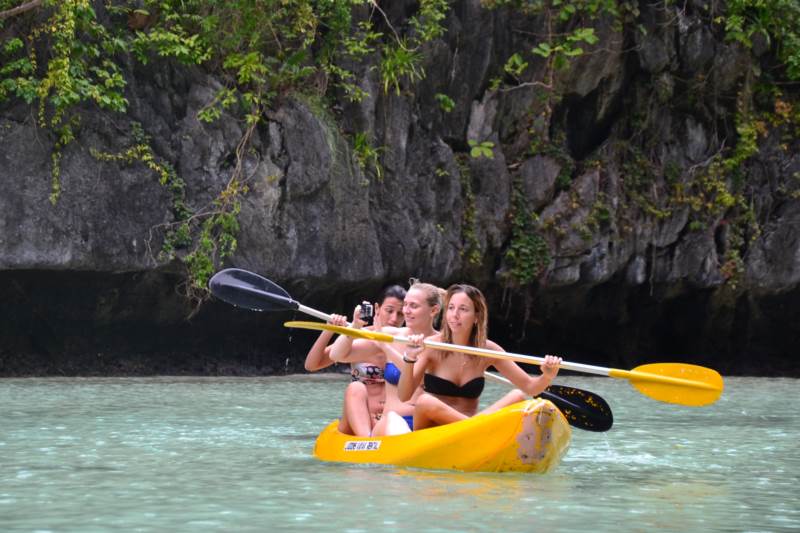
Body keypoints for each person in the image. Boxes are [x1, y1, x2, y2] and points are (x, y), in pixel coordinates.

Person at [395, 283, 562, 433]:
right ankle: (476, 427)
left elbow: (531, 388)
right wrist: (409, 358)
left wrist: (547, 375)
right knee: (425, 401)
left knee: (517, 396)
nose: (455, 315)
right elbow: (404, 396)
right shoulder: (431, 346)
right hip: (433, 430)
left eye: (463, 309)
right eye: (451, 308)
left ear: (476, 316)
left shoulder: (488, 350)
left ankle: (474, 427)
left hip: (470, 431)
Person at [329, 279, 444, 436]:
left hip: (426, 423)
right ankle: (370, 444)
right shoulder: (389, 335)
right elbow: (337, 354)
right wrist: (354, 327)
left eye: (414, 306)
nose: (407, 311)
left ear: (433, 310)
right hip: (392, 423)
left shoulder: (444, 344)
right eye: (406, 305)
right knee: (360, 392)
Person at [303, 285, 406, 437]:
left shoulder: (406, 342)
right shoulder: (358, 336)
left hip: (389, 420)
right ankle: (366, 441)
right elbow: (312, 365)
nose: (394, 319)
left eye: (400, 314)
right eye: (389, 311)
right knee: (355, 388)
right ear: (377, 309)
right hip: (358, 420)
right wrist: (330, 328)